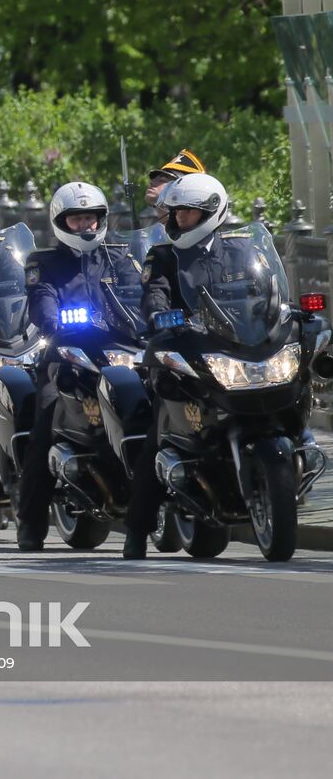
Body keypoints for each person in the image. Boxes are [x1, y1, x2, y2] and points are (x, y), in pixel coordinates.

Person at [15, 183, 142, 551]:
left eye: (90, 217)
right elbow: (41, 302)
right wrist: (55, 322)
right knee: (45, 422)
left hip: (121, 353)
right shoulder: (43, 262)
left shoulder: (120, 258)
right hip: (66, 356)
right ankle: (31, 523)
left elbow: (141, 296)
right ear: (62, 222)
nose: (85, 224)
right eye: (77, 218)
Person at [123, 172, 242, 559]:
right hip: (182, 355)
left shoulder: (240, 251)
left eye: (187, 214)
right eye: (175, 214)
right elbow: (153, 294)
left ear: (210, 212)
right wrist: (160, 315)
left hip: (234, 353)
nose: (178, 222)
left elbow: (264, 289)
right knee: (160, 431)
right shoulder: (162, 256)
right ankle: (137, 532)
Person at [141, 149, 205, 245]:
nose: (151, 182)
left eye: (162, 180)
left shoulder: (189, 232)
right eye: (154, 179)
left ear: (181, 188)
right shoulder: (151, 229)